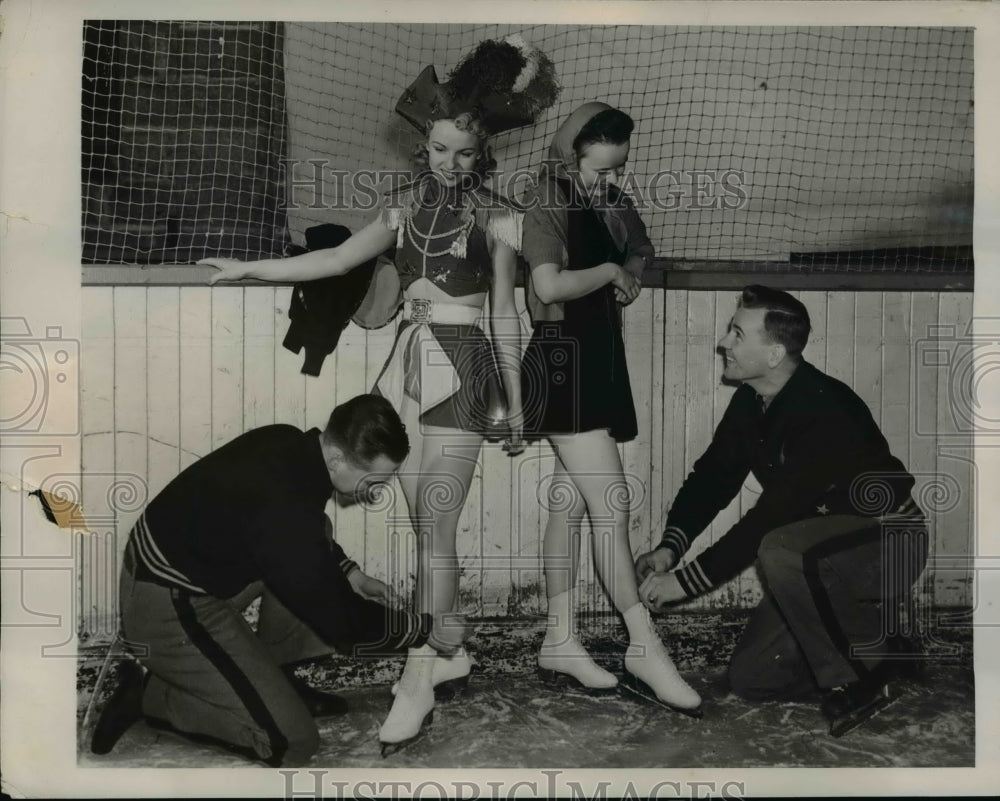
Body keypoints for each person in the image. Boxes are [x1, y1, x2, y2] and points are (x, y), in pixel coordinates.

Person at [201, 36, 559, 753]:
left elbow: (504, 313)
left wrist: (516, 401)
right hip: (412, 369)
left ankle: (418, 676)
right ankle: (450, 649)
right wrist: (249, 266)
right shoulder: (398, 210)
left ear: (482, 152)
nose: (449, 162)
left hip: (466, 371)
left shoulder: (498, 218)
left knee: (434, 530)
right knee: (425, 529)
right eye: (437, 149)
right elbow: (334, 258)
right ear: (423, 146)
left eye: (463, 152)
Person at [89, 394, 472, 766]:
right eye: (374, 480)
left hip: (184, 577)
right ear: (337, 458)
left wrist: (348, 572)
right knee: (291, 742)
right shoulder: (285, 506)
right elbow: (342, 622)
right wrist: (422, 630)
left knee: (316, 533)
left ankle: (275, 678)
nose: (374, 495)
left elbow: (297, 536)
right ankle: (148, 695)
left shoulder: (292, 444)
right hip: (166, 607)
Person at [634, 285, 929, 737]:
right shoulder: (752, 401)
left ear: (773, 354)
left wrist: (683, 584)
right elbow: (713, 477)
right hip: (820, 553)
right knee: (753, 679)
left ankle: (858, 683)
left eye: (736, 333)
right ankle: (884, 650)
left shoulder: (824, 408)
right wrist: (670, 548)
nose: (723, 343)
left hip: (889, 541)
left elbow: (769, 521)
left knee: (779, 547)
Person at [519, 101, 702, 715]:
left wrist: (630, 271)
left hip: (599, 360)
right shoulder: (545, 199)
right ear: (573, 152)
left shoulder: (611, 200)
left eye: (614, 170)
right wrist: (604, 269)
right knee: (611, 504)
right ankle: (642, 645)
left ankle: (559, 638)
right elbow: (547, 286)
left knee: (571, 503)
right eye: (597, 171)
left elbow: (640, 247)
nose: (606, 182)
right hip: (562, 360)